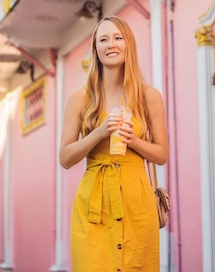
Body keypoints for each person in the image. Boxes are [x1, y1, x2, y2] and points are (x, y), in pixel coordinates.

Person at [59, 16, 169, 272]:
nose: (111, 44)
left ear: (128, 44)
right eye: (103, 39)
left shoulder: (149, 96)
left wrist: (134, 141)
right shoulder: (79, 99)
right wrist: (99, 132)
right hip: (93, 205)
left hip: (137, 205)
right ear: (96, 49)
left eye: (118, 37)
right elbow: (65, 158)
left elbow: (161, 154)